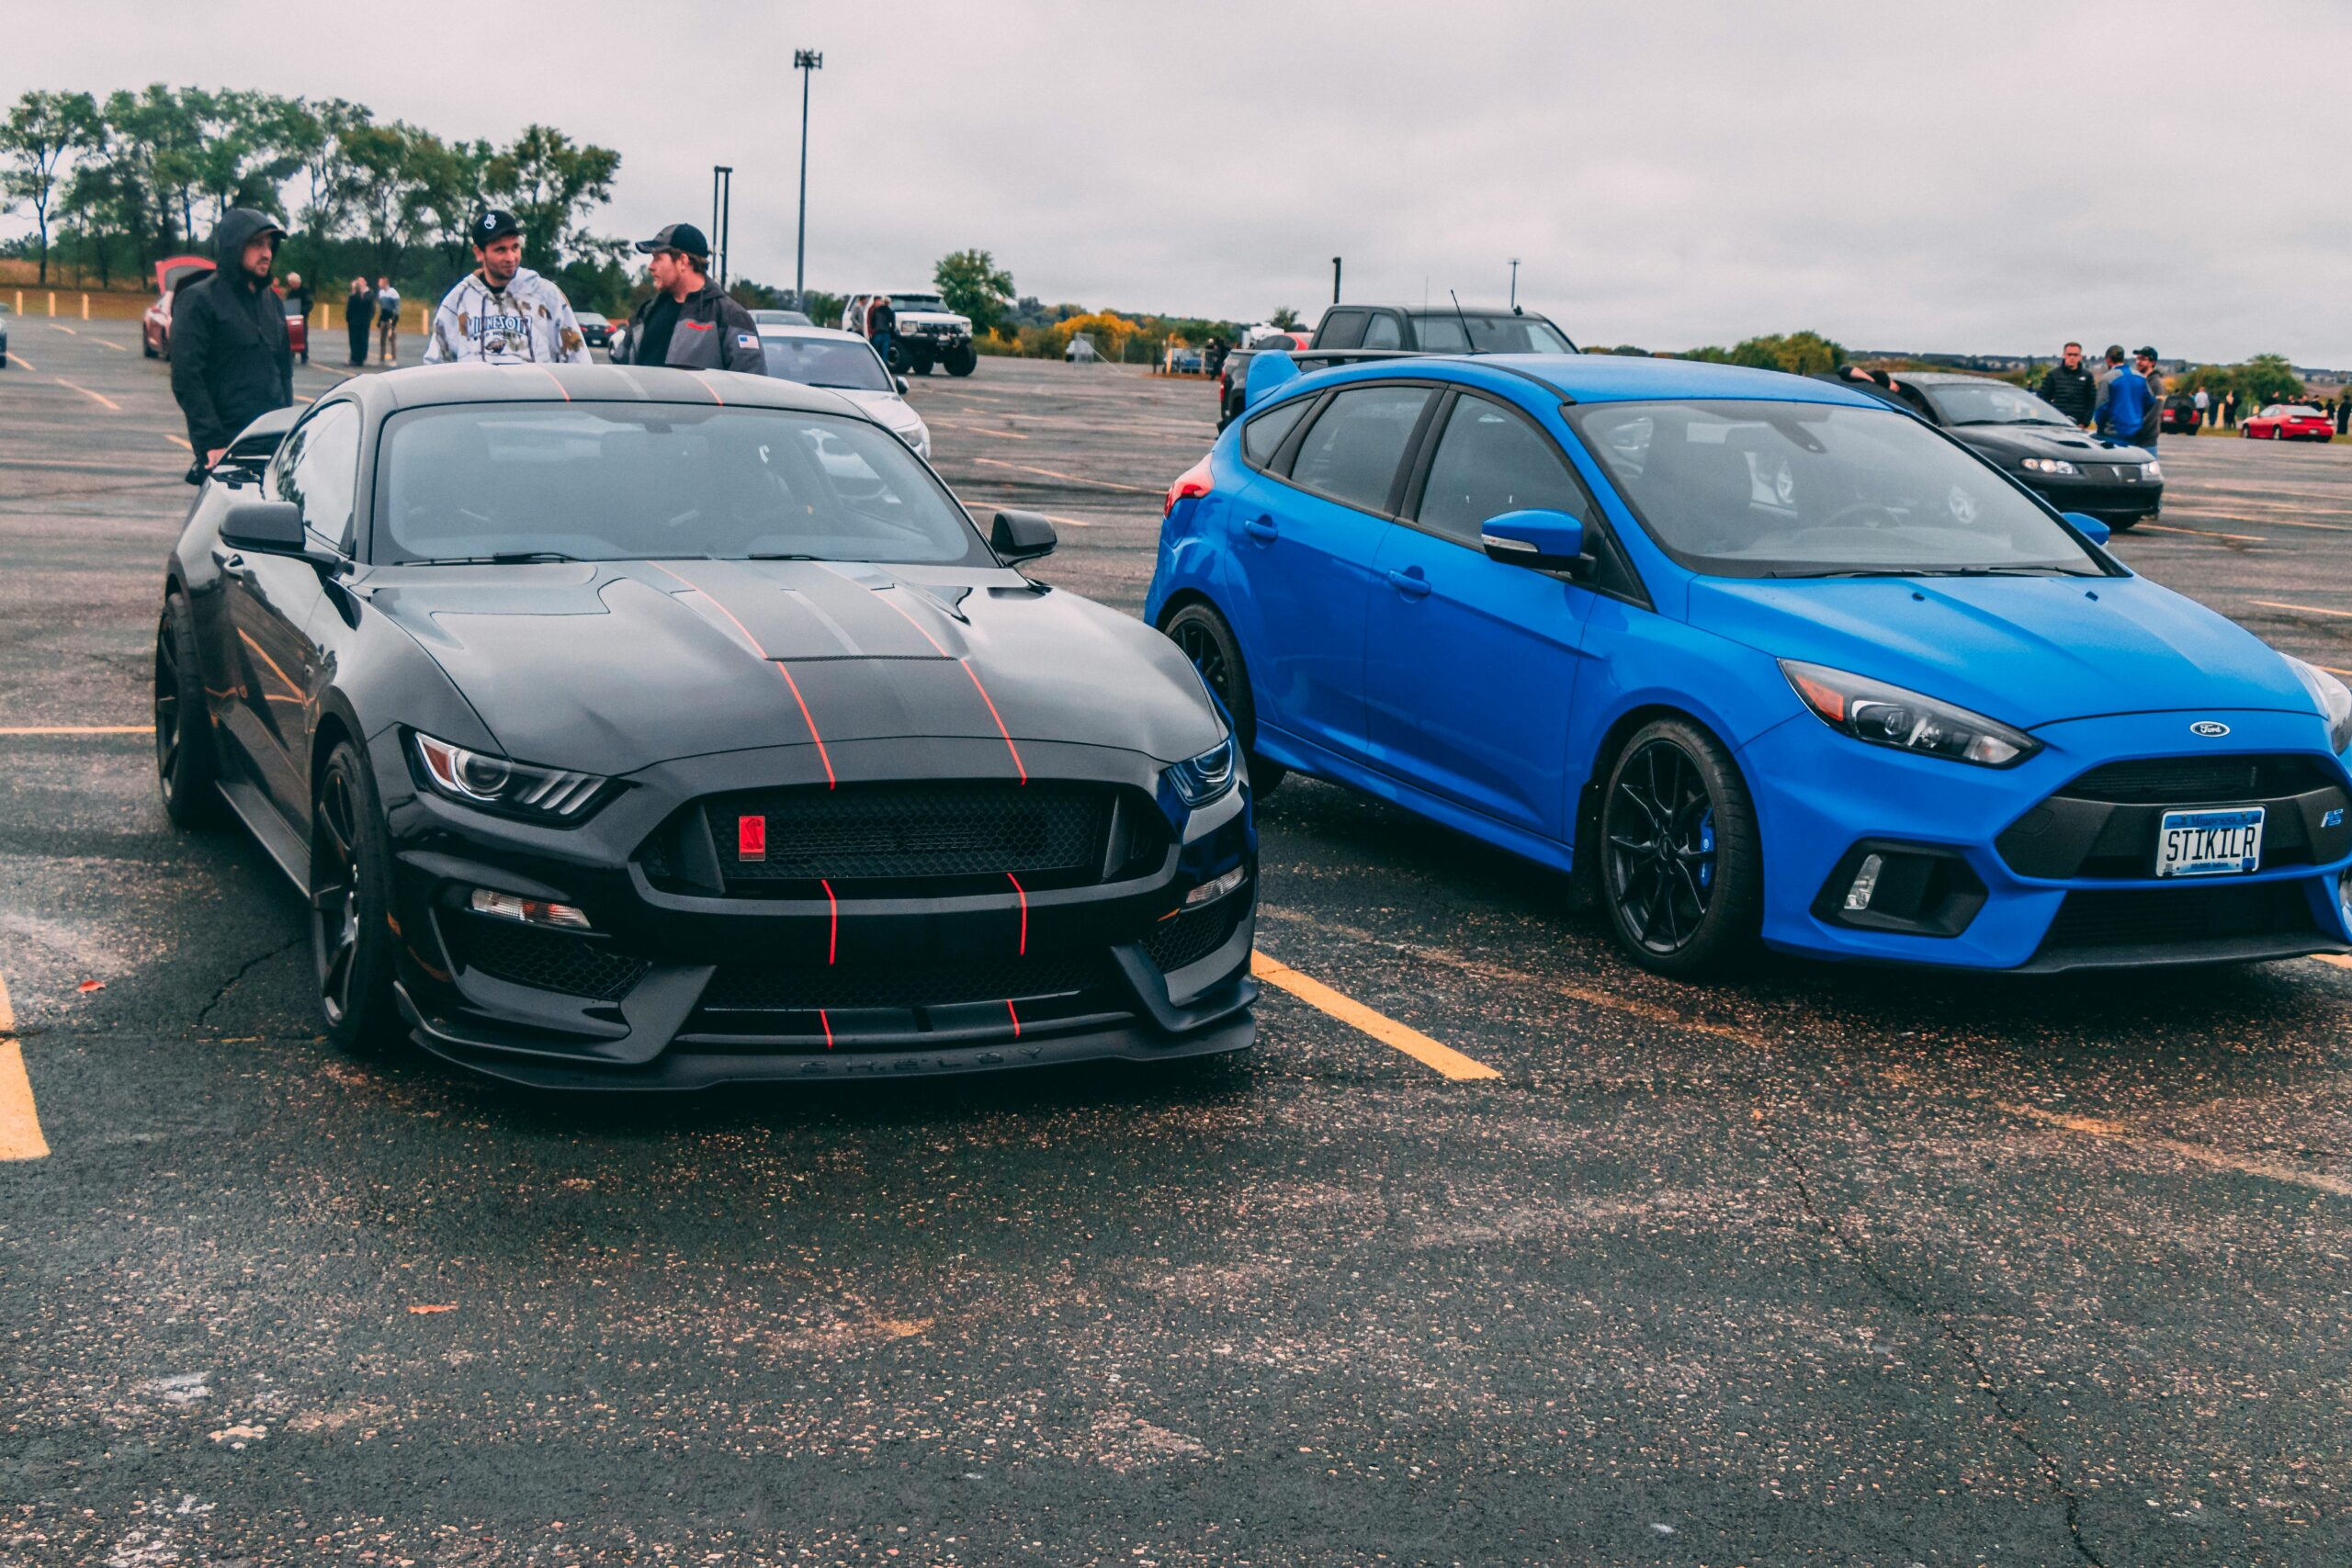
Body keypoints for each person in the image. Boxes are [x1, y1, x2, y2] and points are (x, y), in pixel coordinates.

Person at [168, 209, 293, 474]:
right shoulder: (199, 300)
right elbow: (187, 377)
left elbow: (284, 372)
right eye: (257, 243)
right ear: (234, 246)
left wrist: (288, 429)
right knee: (230, 517)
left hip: (272, 440)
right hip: (226, 445)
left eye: (270, 245)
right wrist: (211, 441)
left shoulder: (273, 303)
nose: (266, 253)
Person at [423, 209, 593, 367]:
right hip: (478, 396)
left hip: (535, 396)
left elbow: (578, 360)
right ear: (479, 252)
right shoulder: (458, 301)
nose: (511, 257)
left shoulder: (546, 295)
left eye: (515, 247)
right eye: (500, 250)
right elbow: (436, 364)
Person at [614, 222, 767, 374]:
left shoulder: (731, 316)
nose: (651, 266)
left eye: (658, 258)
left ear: (682, 261)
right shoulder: (647, 312)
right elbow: (621, 372)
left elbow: (750, 387)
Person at [2093, 345, 2154, 447]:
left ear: (2108, 359)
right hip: (2134, 432)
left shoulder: (2107, 378)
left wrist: (2100, 425)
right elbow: (2150, 401)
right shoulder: (2139, 377)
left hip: (2112, 434)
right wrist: (2138, 415)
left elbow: (2101, 407)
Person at [2037, 340, 2098, 427]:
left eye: (2075, 355)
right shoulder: (2053, 375)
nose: (2072, 357)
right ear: (2064, 355)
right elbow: (2043, 399)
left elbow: (2091, 401)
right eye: (2069, 354)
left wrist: (2084, 423)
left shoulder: (2087, 376)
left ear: (2080, 357)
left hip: (2079, 424)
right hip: (2057, 424)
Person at [2132, 346, 2165, 453]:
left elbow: (2154, 412)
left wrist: (2138, 429)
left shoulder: (2156, 384)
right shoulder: (2138, 381)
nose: (2138, 362)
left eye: (2142, 359)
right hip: (2133, 439)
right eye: (2137, 359)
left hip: (2147, 440)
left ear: (2152, 362)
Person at [281, 271, 314, 365]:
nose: (290, 284)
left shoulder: (305, 292)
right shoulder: (290, 293)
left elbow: (310, 304)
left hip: (302, 317)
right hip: (291, 317)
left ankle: (304, 356)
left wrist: (301, 311)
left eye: (291, 282)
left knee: (303, 336)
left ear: (296, 282)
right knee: (291, 336)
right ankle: (291, 354)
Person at [344, 276, 373, 367]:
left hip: (355, 322)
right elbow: (371, 309)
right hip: (364, 321)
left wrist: (348, 319)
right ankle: (360, 358)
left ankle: (355, 357)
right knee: (363, 339)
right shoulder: (366, 297)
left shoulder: (353, 298)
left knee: (354, 340)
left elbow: (349, 310)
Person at [865, 291, 897, 372]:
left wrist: (872, 330)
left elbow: (872, 321)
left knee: (875, 351)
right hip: (886, 333)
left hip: (877, 333)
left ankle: (874, 367)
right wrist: (892, 333)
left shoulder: (877, 310)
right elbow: (893, 324)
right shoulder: (890, 312)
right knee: (884, 352)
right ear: (889, 303)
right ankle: (884, 369)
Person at [374, 276, 402, 365]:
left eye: (380, 282)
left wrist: (395, 320)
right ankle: (381, 358)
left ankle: (394, 359)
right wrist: (379, 320)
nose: (379, 284)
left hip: (391, 319)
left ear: (385, 283)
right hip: (383, 318)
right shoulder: (381, 293)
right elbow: (382, 308)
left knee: (392, 339)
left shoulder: (393, 292)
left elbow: (397, 307)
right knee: (382, 339)